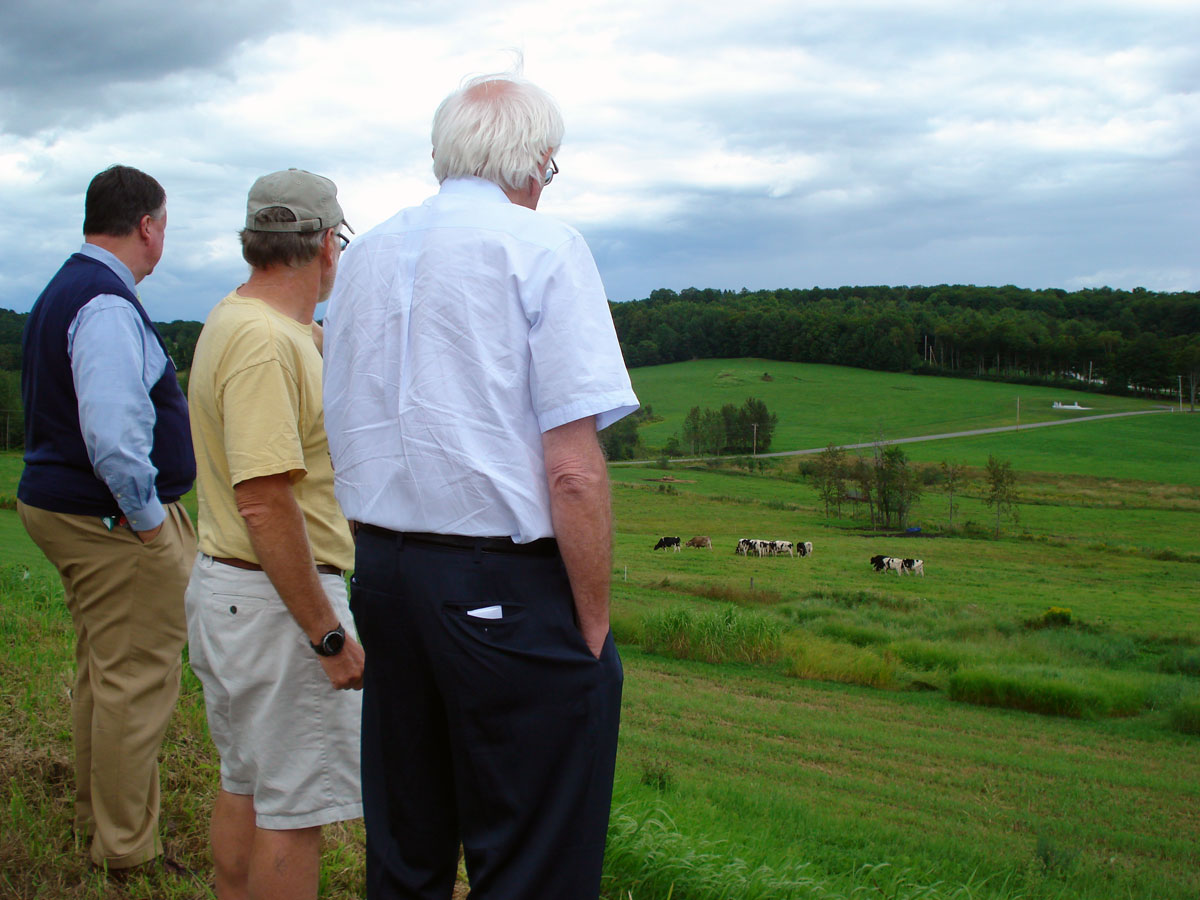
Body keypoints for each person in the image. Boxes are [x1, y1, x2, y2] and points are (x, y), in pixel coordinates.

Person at [323, 71, 639, 899]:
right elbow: (571, 469)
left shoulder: (362, 261)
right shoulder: (544, 248)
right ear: (534, 162)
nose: (550, 183)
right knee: (532, 858)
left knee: (406, 846)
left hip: (386, 575)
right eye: (554, 165)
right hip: (503, 581)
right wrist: (593, 626)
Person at [184, 169, 364, 900]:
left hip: (232, 594)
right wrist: (325, 632)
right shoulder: (265, 344)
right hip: (278, 605)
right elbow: (264, 501)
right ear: (327, 245)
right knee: (293, 812)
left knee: (248, 786)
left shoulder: (238, 318)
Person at [17, 164, 196, 875]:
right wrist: (151, 524)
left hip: (66, 508)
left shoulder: (65, 287)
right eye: (164, 226)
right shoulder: (106, 304)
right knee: (137, 680)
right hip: (110, 521)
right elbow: (115, 437)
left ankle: (102, 821)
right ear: (148, 226)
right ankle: (126, 852)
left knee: (106, 670)